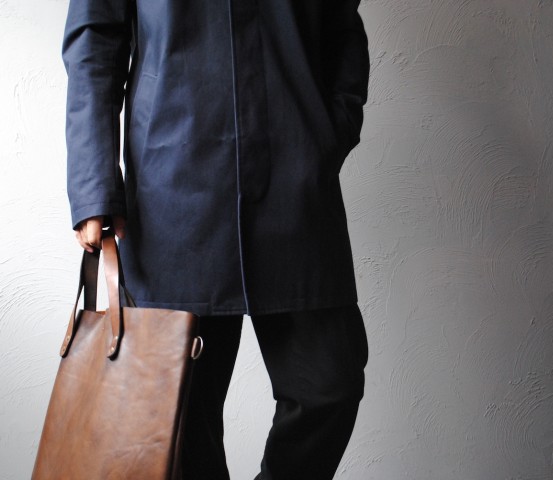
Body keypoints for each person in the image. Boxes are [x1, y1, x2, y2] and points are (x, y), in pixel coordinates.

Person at [62, 0, 370, 478]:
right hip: (173, 192)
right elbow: (94, 40)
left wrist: (328, 133)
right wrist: (94, 185)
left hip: (295, 186)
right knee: (181, 416)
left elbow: (342, 25)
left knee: (330, 385)